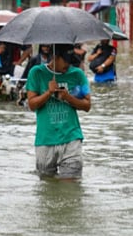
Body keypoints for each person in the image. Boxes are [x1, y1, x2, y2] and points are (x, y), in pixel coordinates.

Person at [26, 44, 91, 180]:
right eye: (65, 60)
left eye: (70, 60)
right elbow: (32, 105)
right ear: (55, 57)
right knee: (47, 189)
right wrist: (48, 93)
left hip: (71, 138)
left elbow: (87, 105)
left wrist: (68, 97)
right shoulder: (36, 72)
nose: (67, 65)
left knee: (71, 191)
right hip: (45, 139)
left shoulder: (77, 74)